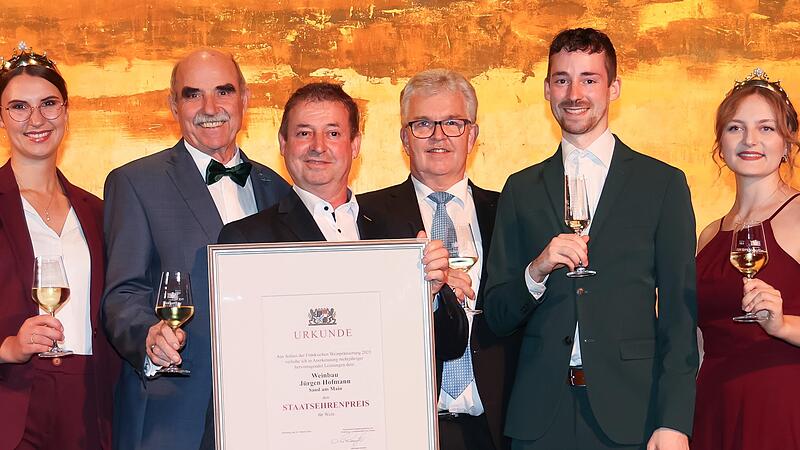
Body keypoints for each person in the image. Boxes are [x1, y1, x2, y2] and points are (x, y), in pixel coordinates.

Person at [483, 28, 698, 450]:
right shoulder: (520, 189)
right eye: (561, 79)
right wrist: (536, 271)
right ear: (546, 89)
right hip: (540, 418)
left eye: (589, 79)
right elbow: (498, 314)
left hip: (631, 414)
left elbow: (680, 315)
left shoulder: (662, 184)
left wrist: (674, 421)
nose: (574, 92)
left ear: (613, 87)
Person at [101, 48, 291, 450]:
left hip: (266, 413)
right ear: (173, 104)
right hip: (172, 415)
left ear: (245, 98)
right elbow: (122, 293)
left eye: (223, 91)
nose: (210, 107)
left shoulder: (278, 188)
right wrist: (148, 336)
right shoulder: (134, 182)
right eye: (192, 95)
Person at [217, 81, 468, 359]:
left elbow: (450, 346)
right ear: (283, 144)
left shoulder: (400, 234)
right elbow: (239, 352)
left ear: (355, 144)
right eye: (304, 133)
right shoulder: (246, 241)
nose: (318, 147)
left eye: (333, 133)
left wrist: (428, 298)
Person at [357, 69, 519, 450]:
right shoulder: (364, 217)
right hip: (404, 426)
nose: (438, 136)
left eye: (453, 123)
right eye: (423, 124)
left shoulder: (510, 211)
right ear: (404, 138)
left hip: (498, 426)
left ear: (473, 135)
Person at [0, 42, 119, 449]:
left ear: (66, 111)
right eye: (18, 106)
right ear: (2, 118)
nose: (36, 118)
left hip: (93, 401)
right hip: (12, 405)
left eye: (48, 103)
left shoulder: (100, 211)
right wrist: (9, 347)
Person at [692, 68, 800, 450]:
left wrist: (783, 325)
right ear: (720, 143)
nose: (750, 139)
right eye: (736, 128)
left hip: (779, 410)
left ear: (788, 143)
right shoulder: (709, 235)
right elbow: (700, 341)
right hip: (710, 410)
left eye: (766, 128)